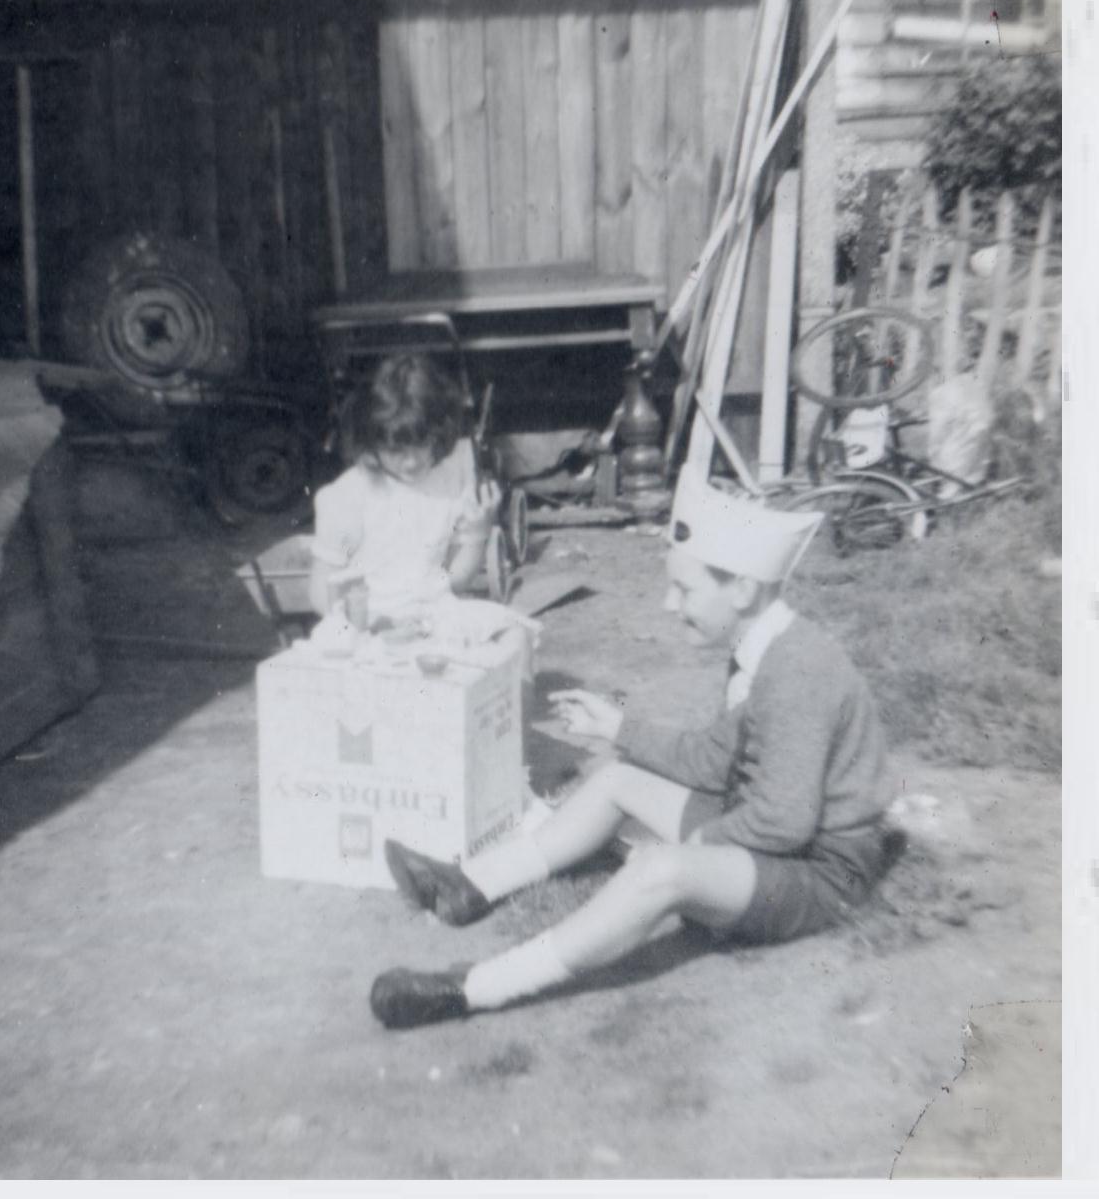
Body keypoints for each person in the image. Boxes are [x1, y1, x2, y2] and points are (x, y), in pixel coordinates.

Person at [368, 467, 898, 1029]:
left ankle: (474, 989)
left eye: (685, 589)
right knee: (616, 780)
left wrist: (698, 848)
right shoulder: (764, 647)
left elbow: (786, 821)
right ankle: (471, 886)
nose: (670, 603)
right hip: (780, 837)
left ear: (743, 589)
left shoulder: (796, 671)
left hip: (823, 874)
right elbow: (717, 760)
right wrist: (619, 729)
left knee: (661, 870)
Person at [308, 351, 501, 625]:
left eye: (421, 445)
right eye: (395, 450)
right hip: (369, 624)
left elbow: (456, 582)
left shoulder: (450, 480)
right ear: (371, 443)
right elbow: (320, 592)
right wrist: (360, 624)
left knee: (514, 633)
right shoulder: (349, 495)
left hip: (431, 618)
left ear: (440, 434)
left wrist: (478, 533)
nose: (411, 462)